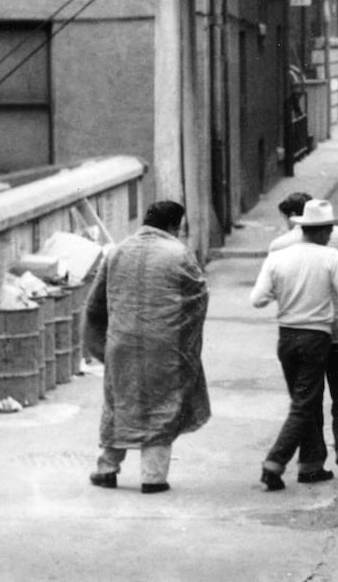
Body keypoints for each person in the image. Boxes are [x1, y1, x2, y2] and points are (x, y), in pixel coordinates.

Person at [83, 200, 210, 494]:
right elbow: (198, 298)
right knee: (161, 405)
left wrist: (103, 340)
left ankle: (107, 469)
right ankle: (152, 477)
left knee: (119, 404)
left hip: (121, 343)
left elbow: (96, 303)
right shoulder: (179, 254)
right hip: (165, 345)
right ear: (173, 226)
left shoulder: (117, 252)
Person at [251, 199, 338, 492]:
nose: (331, 234)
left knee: (304, 400)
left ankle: (310, 464)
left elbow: (257, 299)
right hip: (319, 335)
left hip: (287, 336)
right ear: (322, 230)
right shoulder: (331, 256)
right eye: (328, 229)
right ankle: (275, 461)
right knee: (317, 401)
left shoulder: (278, 254)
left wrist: (283, 294)